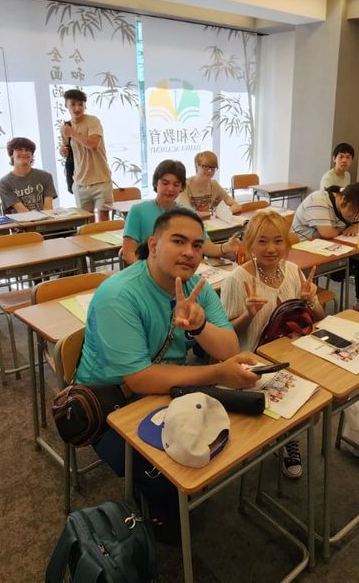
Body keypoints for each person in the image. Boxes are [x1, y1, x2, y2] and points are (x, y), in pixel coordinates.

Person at [77, 208, 260, 534]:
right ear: (154, 244)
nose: (190, 252)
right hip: (113, 405)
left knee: (219, 445)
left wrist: (201, 324)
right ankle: (154, 500)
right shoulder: (118, 295)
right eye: (178, 241)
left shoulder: (197, 287)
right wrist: (217, 374)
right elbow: (140, 378)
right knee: (173, 496)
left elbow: (229, 348)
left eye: (197, 245)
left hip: (169, 389)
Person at [220, 210, 325, 478]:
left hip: (292, 351)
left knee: (320, 398)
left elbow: (320, 319)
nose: (271, 249)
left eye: (278, 241)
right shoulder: (237, 279)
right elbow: (225, 340)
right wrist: (247, 315)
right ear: (250, 244)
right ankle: (285, 435)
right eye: (262, 241)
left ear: (287, 244)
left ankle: (289, 434)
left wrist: (311, 301)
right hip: (252, 360)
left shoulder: (292, 270)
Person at [120, 159, 240, 268]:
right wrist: (149, 273)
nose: (171, 189)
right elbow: (128, 254)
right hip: (146, 274)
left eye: (176, 184)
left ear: (182, 187)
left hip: (179, 272)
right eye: (165, 183)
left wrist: (226, 247)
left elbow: (207, 248)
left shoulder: (188, 213)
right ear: (156, 183)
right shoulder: (137, 211)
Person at [291, 183, 359, 314]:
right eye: (354, 212)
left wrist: (356, 226)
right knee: (345, 268)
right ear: (343, 201)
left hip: (328, 249)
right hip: (303, 251)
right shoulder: (319, 200)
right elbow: (327, 233)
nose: (355, 216)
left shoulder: (353, 207)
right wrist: (347, 227)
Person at [59, 88, 113, 222]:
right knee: (86, 222)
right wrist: (63, 151)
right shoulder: (65, 127)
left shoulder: (93, 121)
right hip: (80, 183)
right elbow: (66, 149)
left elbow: (93, 144)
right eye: (73, 104)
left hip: (101, 180)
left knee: (104, 221)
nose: (77, 108)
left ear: (85, 106)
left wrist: (73, 134)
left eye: (80, 104)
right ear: (66, 105)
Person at [0, 137, 57, 214]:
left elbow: (48, 208)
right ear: (11, 154)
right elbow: (23, 212)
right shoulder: (4, 183)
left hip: (46, 222)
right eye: (19, 150)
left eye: (28, 150)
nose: (24, 153)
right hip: (23, 224)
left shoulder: (46, 176)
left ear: (32, 155)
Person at [177, 150, 243, 218]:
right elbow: (188, 214)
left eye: (213, 168)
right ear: (197, 166)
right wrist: (213, 213)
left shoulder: (214, 185)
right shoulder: (184, 185)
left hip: (209, 223)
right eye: (205, 167)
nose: (209, 171)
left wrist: (224, 212)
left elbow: (237, 206)